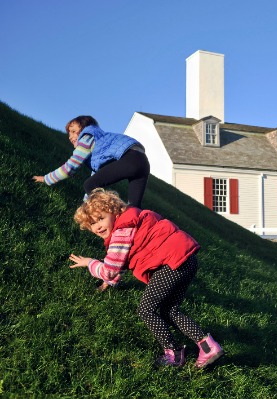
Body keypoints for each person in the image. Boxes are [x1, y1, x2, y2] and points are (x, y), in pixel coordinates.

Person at [69, 188, 224, 368]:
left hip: (171, 264)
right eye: (92, 224)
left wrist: (90, 263)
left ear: (114, 211)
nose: (98, 226)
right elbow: (126, 260)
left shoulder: (121, 231)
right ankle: (207, 347)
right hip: (186, 260)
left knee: (146, 310)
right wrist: (108, 283)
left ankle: (173, 354)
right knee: (170, 310)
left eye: (101, 218)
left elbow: (111, 269)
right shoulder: (132, 221)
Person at [33, 115, 150, 208]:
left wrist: (46, 179)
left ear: (85, 128)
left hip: (130, 157)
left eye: (73, 131)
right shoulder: (101, 143)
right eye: (69, 134)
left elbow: (71, 166)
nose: (70, 136)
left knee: (90, 184)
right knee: (134, 208)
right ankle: (135, 231)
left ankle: (110, 215)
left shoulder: (87, 136)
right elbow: (97, 175)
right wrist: (86, 204)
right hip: (143, 162)